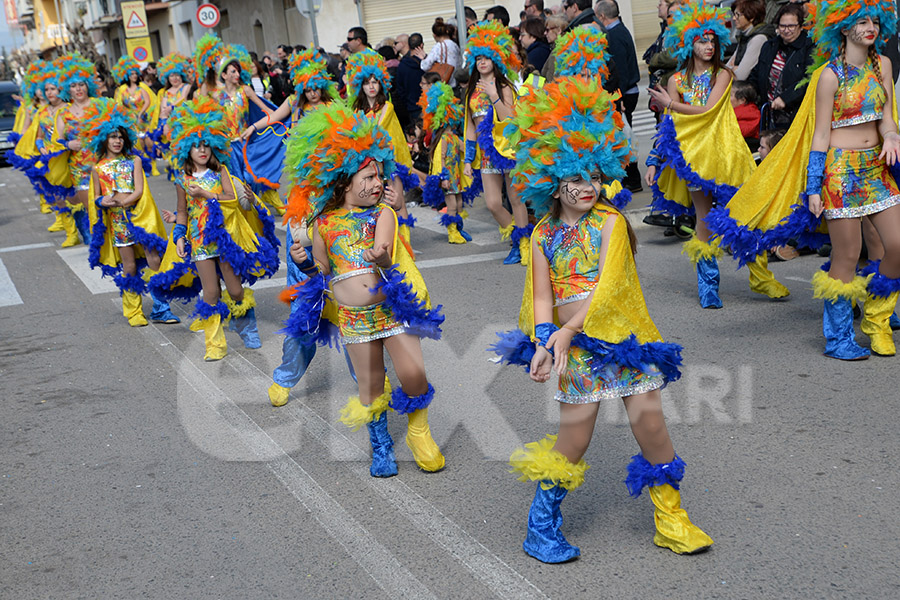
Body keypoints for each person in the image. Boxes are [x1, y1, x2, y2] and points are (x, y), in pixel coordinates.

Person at [494, 75, 713, 563]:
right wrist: (546, 343)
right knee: (574, 438)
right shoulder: (541, 235)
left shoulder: (611, 223)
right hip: (576, 351)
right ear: (551, 180)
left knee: (651, 426)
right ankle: (541, 526)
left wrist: (569, 333)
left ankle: (670, 519)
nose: (586, 187)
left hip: (622, 342)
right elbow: (542, 299)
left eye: (592, 176)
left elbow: (614, 289)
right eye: (574, 178)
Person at [706, 0, 900, 359]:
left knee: (897, 246)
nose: (869, 27)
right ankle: (839, 338)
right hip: (841, 173)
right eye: (859, 21)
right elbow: (820, 137)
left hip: (877, 169)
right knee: (847, 255)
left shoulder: (883, 66)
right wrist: (814, 187)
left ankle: (876, 317)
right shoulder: (829, 75)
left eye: (873, 20)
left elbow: (887, 117)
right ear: (842, 28)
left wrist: (891, 136)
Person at [281, 102, 445, 476]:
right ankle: (382, 445)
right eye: (368, 177)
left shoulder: (382, 214)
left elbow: (385, 249)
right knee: (371, 385)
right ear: (344, 180)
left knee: (413, 375)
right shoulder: (323, 222)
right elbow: (323, 268)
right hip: (354, 319)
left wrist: (382, 256)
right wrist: (305, 262)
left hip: (391, 311)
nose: (377, 184)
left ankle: (419, 429)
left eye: (378, 176)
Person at [647, 1, 789, 307]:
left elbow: (708, 109)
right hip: (694, 160)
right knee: (705, 220)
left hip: (727, 156)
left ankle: (761, 278)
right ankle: (708, 285)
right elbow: (670, 125)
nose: (708, 45)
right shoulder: (675, 81)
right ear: (688, 43)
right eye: (701, 40)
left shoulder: (722, 74)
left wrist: (669, 104)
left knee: (742, 217)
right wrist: (654, 159)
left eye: (712, 39)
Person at [148, 96, 280, 361]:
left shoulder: (220, 171)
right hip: (198, 240)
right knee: (210, 291)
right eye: (196, 145)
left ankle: (246, 324)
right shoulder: (182, 181)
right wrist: (179, 236)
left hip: (226, 239)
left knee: (234, 289)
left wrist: (207, 195)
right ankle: (215, 344)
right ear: (187, 149)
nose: (202, 150)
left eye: (206, 144)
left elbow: (231, 199)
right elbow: (183, 212)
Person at [83, 98, 169, 327]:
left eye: (120, 137)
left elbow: (140, 190)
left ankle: (161, 308)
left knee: (154, 259)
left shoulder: (135, 161)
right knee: (129, 266)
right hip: (118, 223)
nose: (117, 141)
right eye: (113, 137)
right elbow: (96, 198)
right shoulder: (98, 168)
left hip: (140, 217)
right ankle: (134, 311)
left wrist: (124, 202)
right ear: (105, 140)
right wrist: (105, 201)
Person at [463, 20, 531, 265]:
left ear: (495, 59)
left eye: (487, 57)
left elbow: (509, 118)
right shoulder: (471, 90)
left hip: (509, 150)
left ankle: (524, 245)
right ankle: (518, 236)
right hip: (487, 153)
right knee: (493, 203)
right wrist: (468, 159)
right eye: (478, 58)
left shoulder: (504, 86)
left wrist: (494, 96)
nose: (482, 62)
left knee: (516, 199)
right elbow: (470, 125)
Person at [345, 48, 419, 244]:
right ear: (360, 85)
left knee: (398, 200)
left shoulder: (387, 106)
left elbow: (376, 131)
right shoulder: (356, 109)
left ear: (381, 84)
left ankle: (405, 242)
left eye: (374, 82)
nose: (371, 87)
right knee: (374, 202)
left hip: (390, 161)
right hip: (369, 164)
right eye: (367, 83)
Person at [215, 45, 288, 217]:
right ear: (223, 75)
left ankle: (257, 212)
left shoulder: (245, 90)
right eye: (232, 72)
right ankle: (242, 217)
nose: (236, 75)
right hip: (227, 148)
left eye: (238, 71)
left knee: (250, 179)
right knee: (235, 182)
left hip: (246, 144)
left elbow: (267, 111)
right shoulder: (216, 96)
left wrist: (280, 120)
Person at [419, 81, 473, 243]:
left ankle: (458, 228)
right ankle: (452, 232)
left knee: (459, 203)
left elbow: (466, 148)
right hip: (448, 177)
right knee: (452, 205)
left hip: (456, 177)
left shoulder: (454, 138)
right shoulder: (443, 139)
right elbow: (440, 159)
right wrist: (443, 178)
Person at [55, 54, 100, 248]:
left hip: (103, 164)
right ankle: (100, 244)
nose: (78, 89)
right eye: (73, 86)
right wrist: (67, 145)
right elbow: (56, 141)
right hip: (79, 168)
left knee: (111, 208)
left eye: (81, 84)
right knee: (92, 209)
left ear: (88, 84)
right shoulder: (63, 113)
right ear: (68, 89)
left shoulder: (100, 106)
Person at [243, 48, 335, 140]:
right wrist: (253, 127)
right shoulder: (294, 101)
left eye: (316, 89)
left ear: (322, 88)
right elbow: (273, 117)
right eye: (308, 90)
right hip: (300, 150)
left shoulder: (330, 105)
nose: (312, 94)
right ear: (302, 90)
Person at [748, 2, 814, 128]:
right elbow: (756, 74)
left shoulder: (809, 47)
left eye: (791, 26)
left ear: (800, 26)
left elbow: (809, 80)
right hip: (770, 114)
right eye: (782, 26)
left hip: (795, 115)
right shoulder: (769, 46)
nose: (786, 30)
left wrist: (786, 98)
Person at [112, 56, 159, 176]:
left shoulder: (141, 87)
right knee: (138, 144)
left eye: (135, 73)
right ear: (127, 75)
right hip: (130, 120)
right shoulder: (122, 90)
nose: (133, 76)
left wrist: (141, 113)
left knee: (148, 142)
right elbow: (119, 104)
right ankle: (143, 168)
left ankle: (153, 165)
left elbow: (148, 101)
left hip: (142, 119)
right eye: (131, 74)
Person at [154, 53, 193, 182]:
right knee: (174, 153)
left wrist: (171, 107)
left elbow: (183, 100)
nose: (175, 78)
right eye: (171, 75)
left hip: (185, 124)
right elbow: (163, 111)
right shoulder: (166, 92)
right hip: (172, 126)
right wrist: (164, 124)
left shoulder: (186, 87)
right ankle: (179, 177)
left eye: (177, 75)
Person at [727, 0, 771, 82]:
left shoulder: (758, 39)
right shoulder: (745, 35)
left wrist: (733, 68)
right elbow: (727, 66)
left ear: (751, 18)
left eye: (738, 15)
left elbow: (740, 76)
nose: (733, 18)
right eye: (734, 14)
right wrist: (733, 68)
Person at [395, 33, 426, 130]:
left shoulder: (402, 66)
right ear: (421, 45)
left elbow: (400, 89)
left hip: (412, 107)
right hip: (427, 104)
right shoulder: (426, 63)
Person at [420, 18, 462, 88]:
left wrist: (423, 58)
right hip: (455, 84)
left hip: (443, 85)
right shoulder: (455, 46)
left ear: (435, 35)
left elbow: (425, 66)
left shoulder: (439, 46)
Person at [731, 80, 761, 150]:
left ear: (742, 100)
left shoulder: (751, 114)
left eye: (730, 96)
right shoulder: (734, 111)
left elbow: (740, 131)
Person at [193, 33, 224, 98]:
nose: (219, 64)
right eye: (215, 62)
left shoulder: (229, 79)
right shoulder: (207, 85)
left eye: (220, 60)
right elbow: (204, 105)